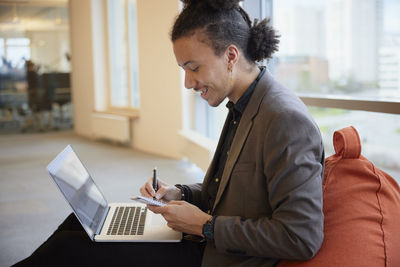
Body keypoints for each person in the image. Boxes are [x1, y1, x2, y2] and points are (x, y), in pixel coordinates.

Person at [13, 0, 324, 266]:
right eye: (184, 70)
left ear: (231, 56)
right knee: (76, 227)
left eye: (194, 67)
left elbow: (301, 236)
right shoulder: (244, 105)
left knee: (67, 250)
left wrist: (206, 226)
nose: (188, 83)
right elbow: (229, 195)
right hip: (202, 240)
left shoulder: (284, 120)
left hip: (216, 257)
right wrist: (180, 194)